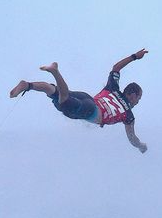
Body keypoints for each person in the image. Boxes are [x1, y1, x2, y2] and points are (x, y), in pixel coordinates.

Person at [10, 49, 149, 153]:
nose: (138, 102)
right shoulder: (129, 115)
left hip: (88, 98)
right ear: (133, 95)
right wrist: (141, 146)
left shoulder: (113, 88)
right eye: (139, 98)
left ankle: (28, 85)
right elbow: (132, 138)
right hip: (91, 111)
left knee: (53, 91)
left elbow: (116, 68)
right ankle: (55, 72)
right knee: (63, 100)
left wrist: (135, 56)